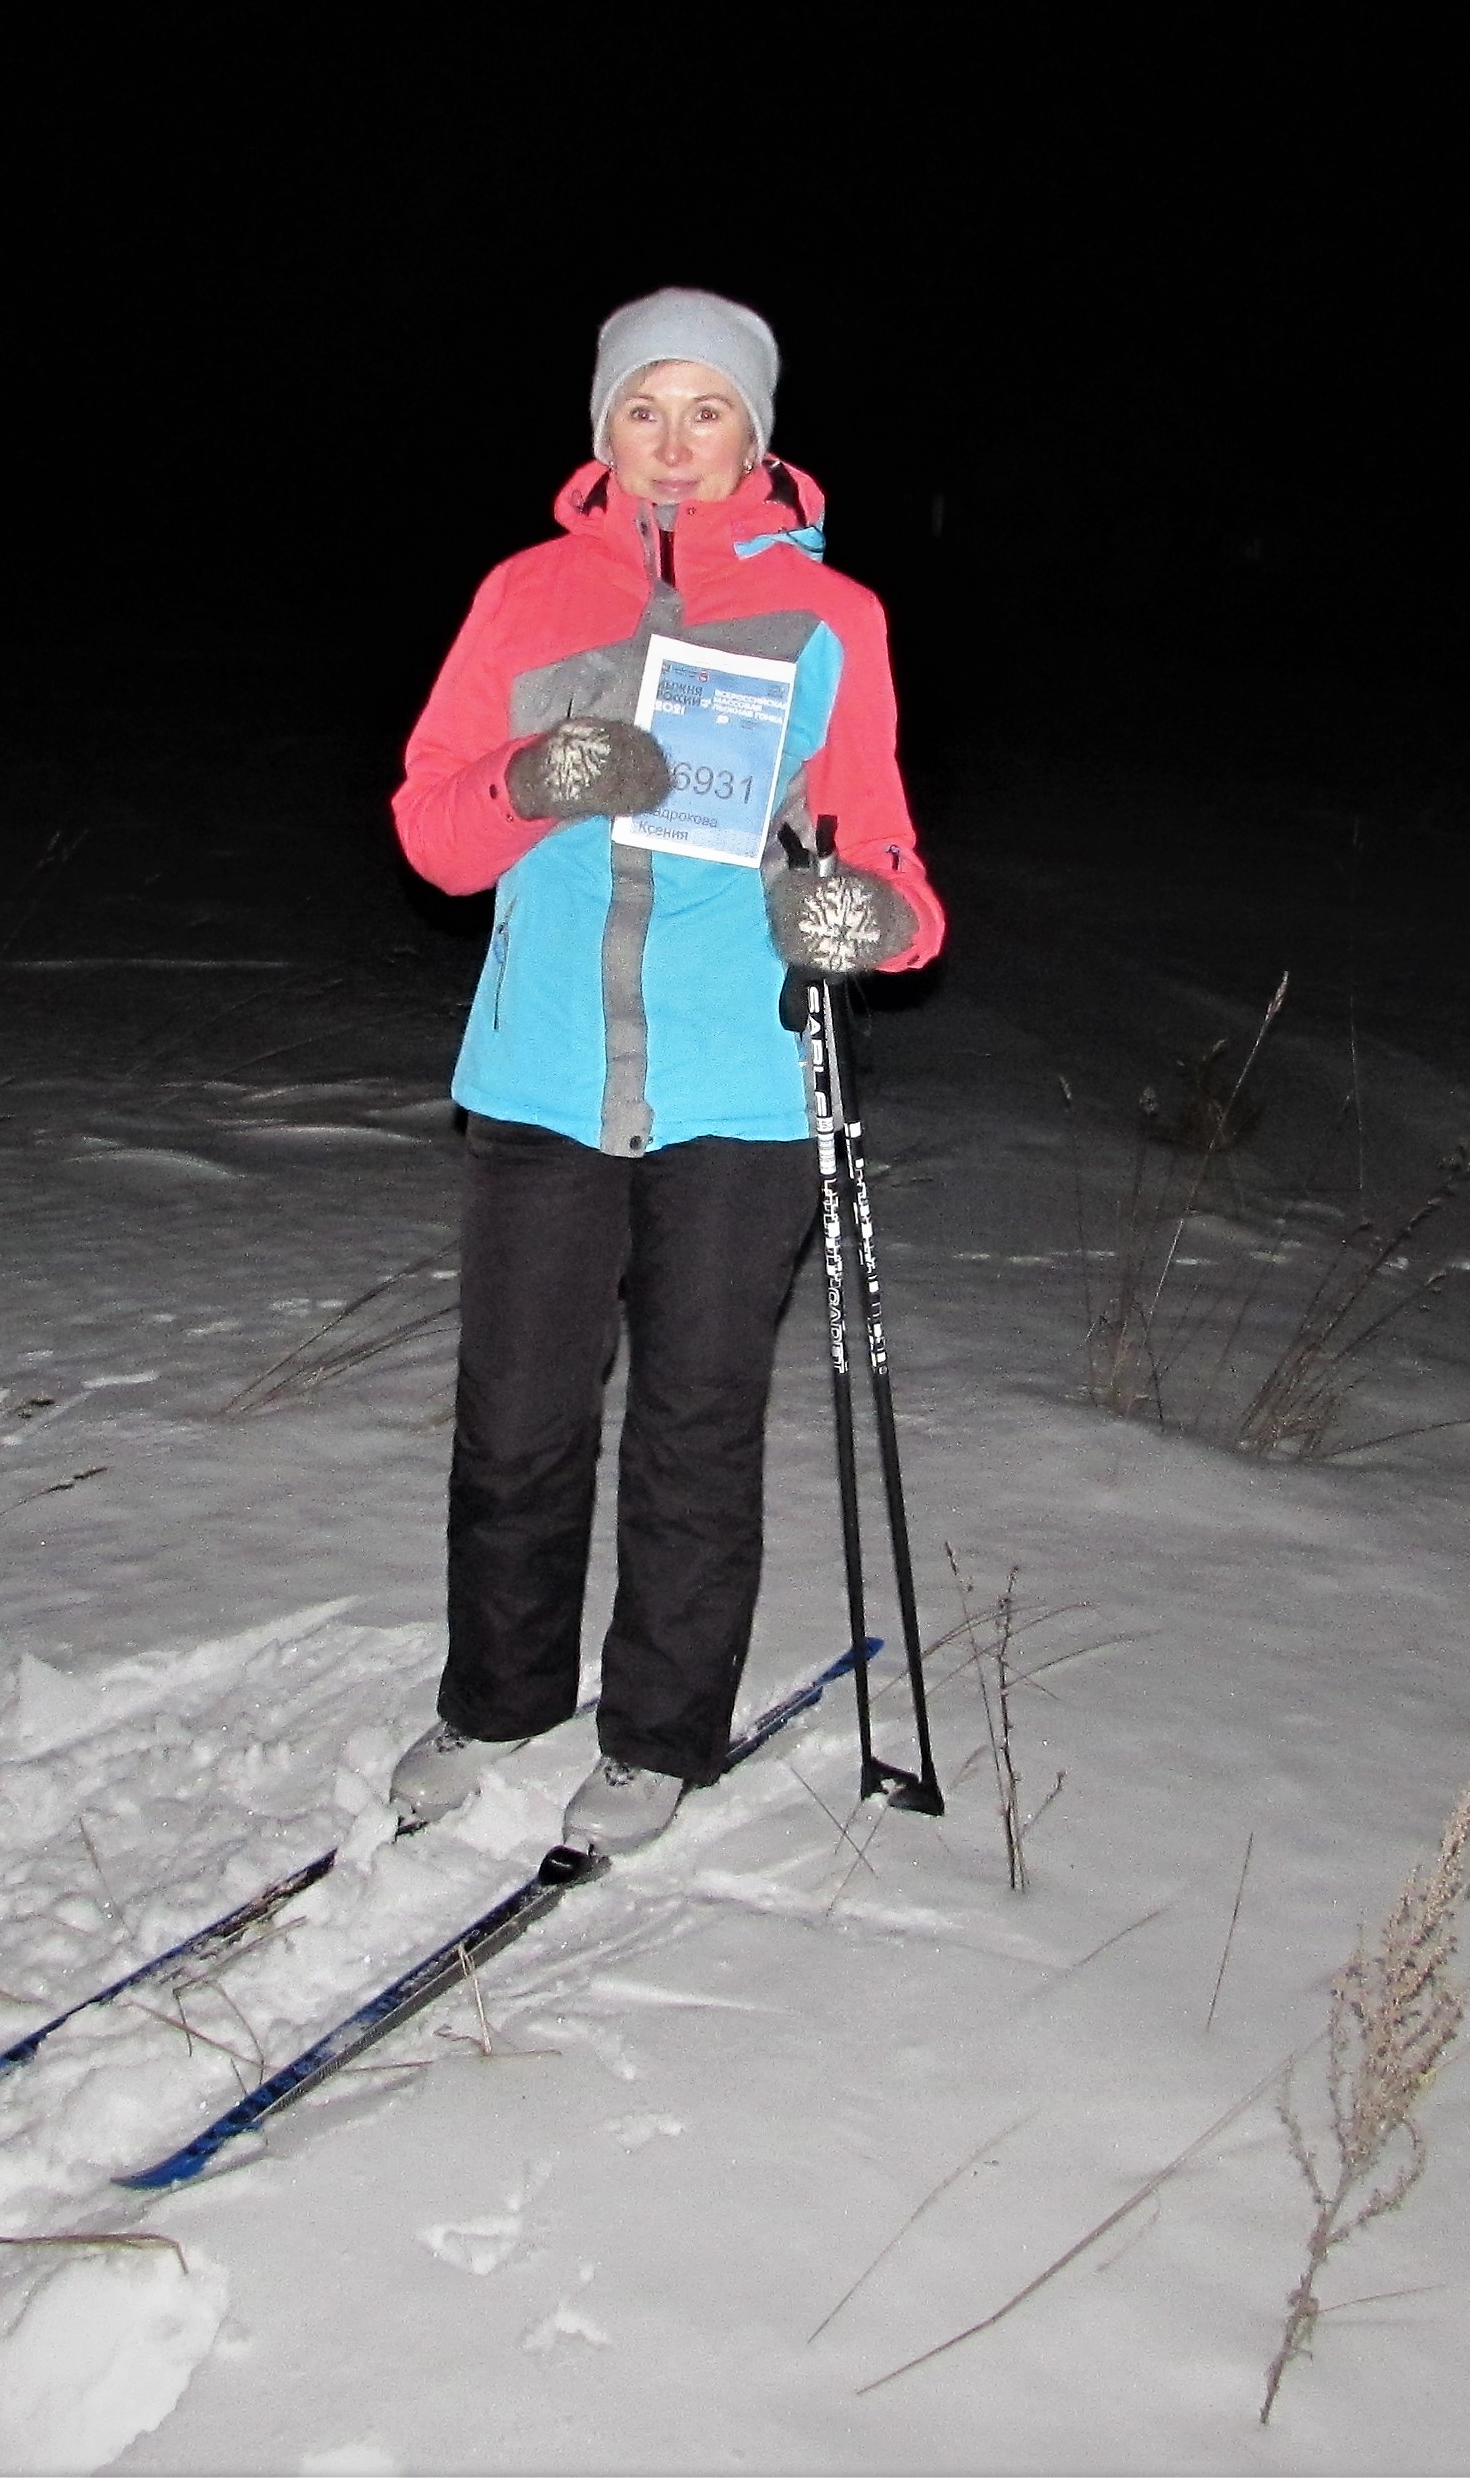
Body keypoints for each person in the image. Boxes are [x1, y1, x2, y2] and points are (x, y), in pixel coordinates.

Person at [386, 287, 944, 1856]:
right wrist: (533, 775)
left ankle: (657, 1732)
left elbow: (890, 857)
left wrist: (870, 918)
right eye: (645, 409)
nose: (676, 442)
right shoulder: (522, 596)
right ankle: (498, 1699)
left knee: (696, 1425)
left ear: (756, 433)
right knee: (517, 1420)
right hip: (543, 1075)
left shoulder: (834, 620)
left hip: (737, 1086)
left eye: (709, 411)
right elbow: (430, 830)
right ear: (603, 429)